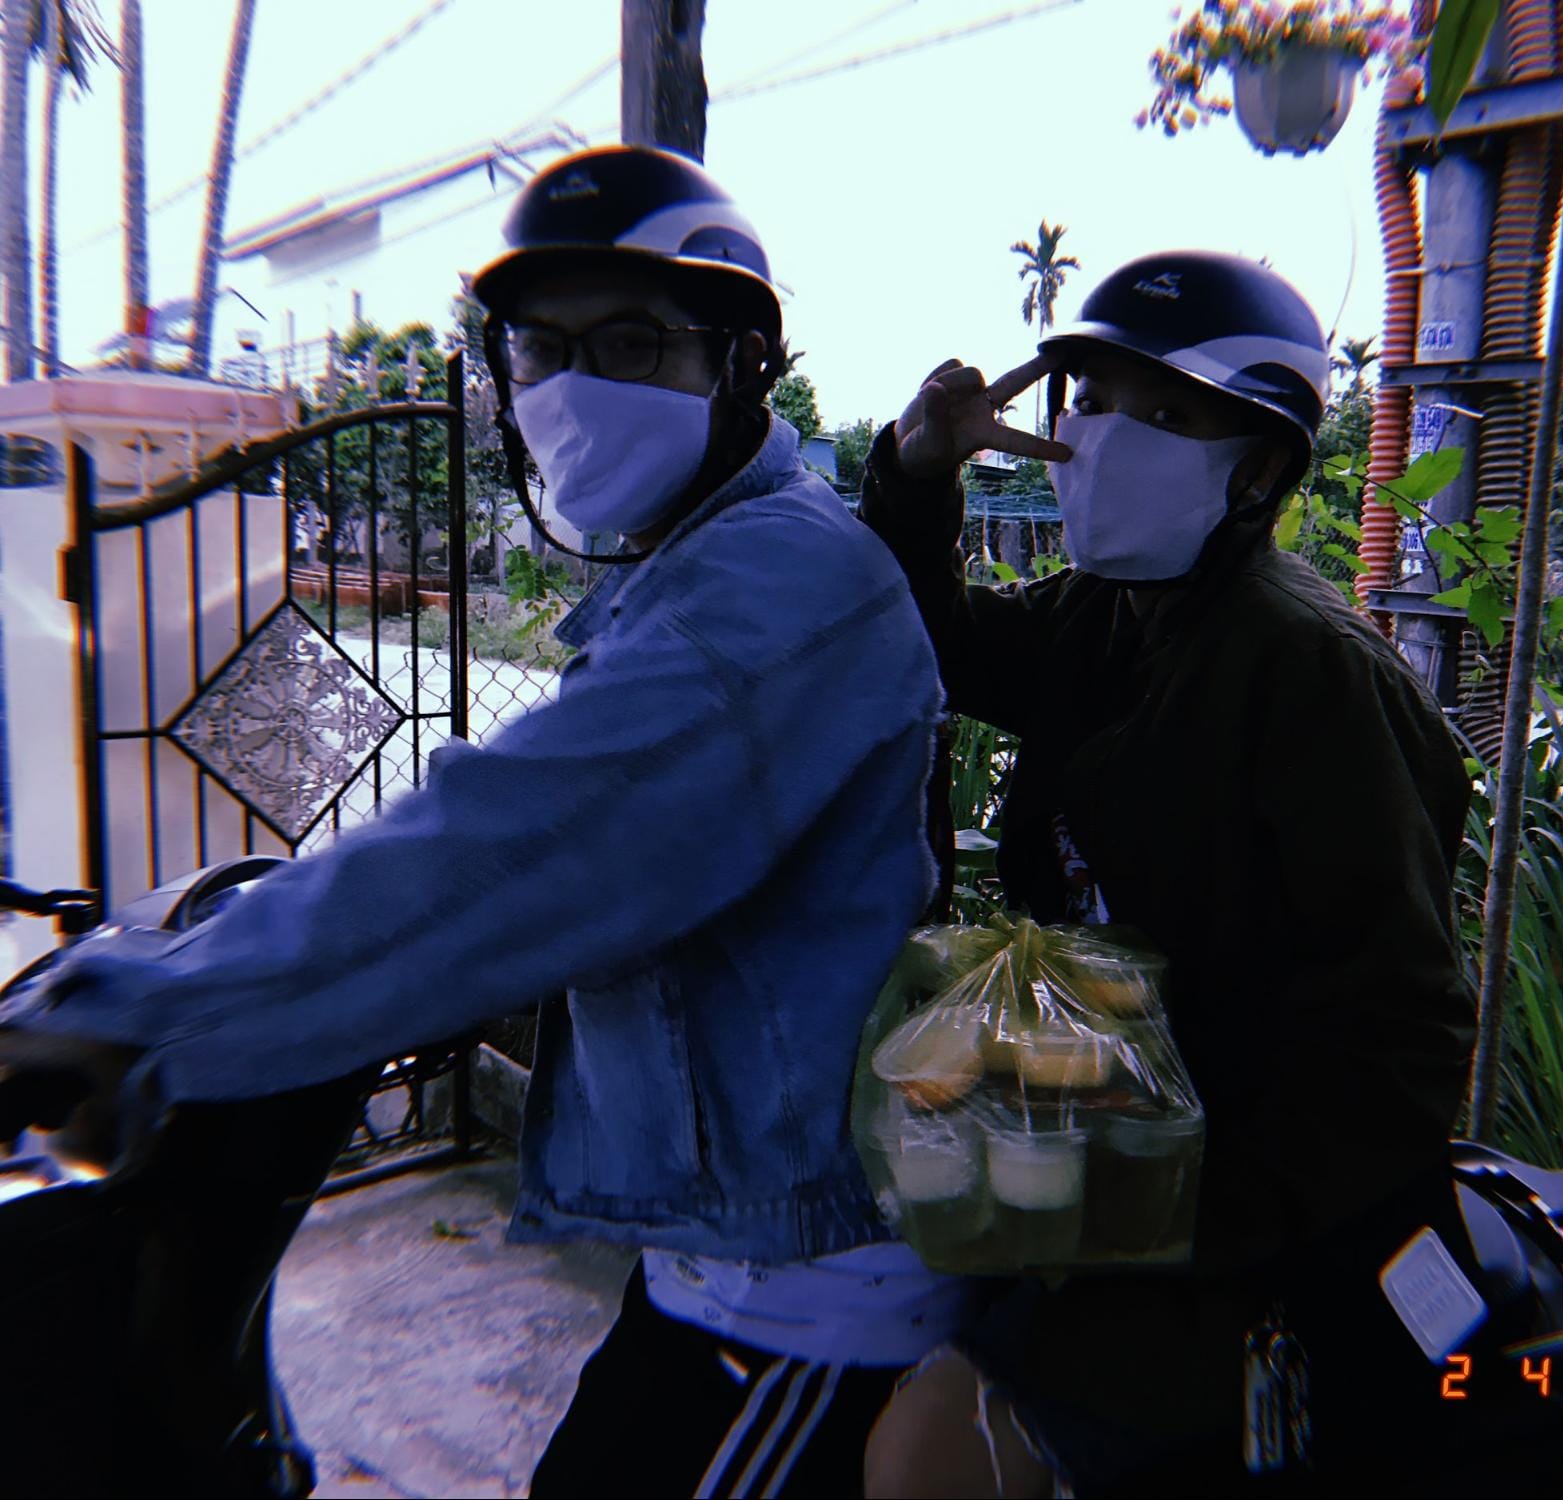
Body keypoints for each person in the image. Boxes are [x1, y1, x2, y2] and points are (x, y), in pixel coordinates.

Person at [0, 146, 972, 1497]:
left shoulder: (776, 584)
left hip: (802, 1304)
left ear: (742, 365)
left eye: (630, 342)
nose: (573, 387)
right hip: (722, 1262)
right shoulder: (698, 563)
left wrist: (137, 1011)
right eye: (541, 349)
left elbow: (510, 848)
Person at [855, 251, 1478, 1496]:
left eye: (1165, 414)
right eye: (1091, 400)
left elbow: (1397, 1029)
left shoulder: (1307, 670)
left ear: (1257, 469)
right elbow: (936, 644)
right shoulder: (1105, 612)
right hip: (1102, 1158)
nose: (1103, 438)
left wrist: (1191, 1217)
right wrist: (917, 475)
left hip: (1238, 1233)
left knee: (934, 1455)